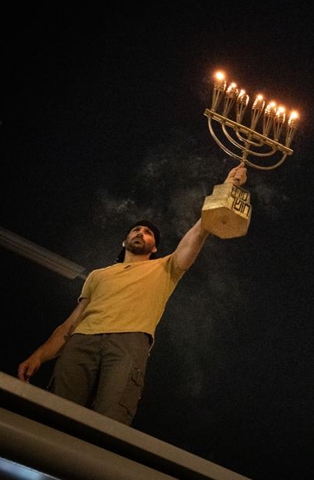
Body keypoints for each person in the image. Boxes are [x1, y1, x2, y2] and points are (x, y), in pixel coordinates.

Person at [17, 164, 248, 425]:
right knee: (56, 412)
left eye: (148, 233)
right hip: (81, 342)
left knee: (111, 418)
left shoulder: (166, 268)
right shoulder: (98, 275)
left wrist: (230, 186)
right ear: (124, 241)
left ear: (155, 247)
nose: (141, 233)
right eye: (136, 230)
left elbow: (200, 230)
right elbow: (69, 324)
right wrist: (38, 355)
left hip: (128, 344)